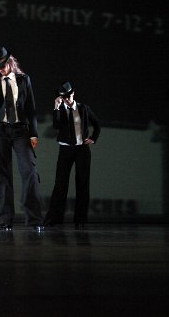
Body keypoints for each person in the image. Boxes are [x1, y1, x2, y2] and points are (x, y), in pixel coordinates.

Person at [0, 46, 44, 232]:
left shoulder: (24, 79)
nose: (1, 70)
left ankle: (34, 219)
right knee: (2, 174)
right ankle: (5, 220)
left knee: (29, 171)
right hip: (1, 129)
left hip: (20, 129)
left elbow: (31, 108)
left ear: (10, 62)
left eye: (3, 66)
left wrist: (33, 133)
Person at [44, 81, 101, 230]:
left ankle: (80, 219)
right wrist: (56, 108)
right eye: (64, 97)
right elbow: (56, 126)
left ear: (73, 94)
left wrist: (93, 138)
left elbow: (97, 124)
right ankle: (55, 218)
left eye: (69, 96)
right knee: (60, 184)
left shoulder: (83, 108)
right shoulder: (60, 109)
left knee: (82, 183)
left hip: (82, 149)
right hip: (65, 149)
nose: (67, 99)